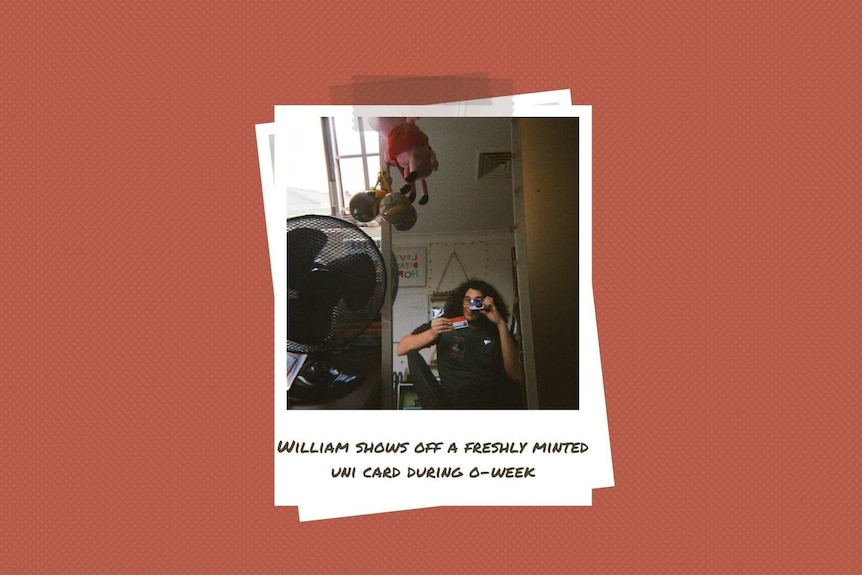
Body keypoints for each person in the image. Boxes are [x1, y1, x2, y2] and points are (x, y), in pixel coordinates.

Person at [396, 280, 524, 409]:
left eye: (477, 301)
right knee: (471, 394)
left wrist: (500, 323)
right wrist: (432, 333)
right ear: (461, 301)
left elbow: (515, 374)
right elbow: (401, 348)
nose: (470, 306)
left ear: (486, 304)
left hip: (493, 397)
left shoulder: (494, 330)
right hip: (461, 399)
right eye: (467, 300)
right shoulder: (448, 323)